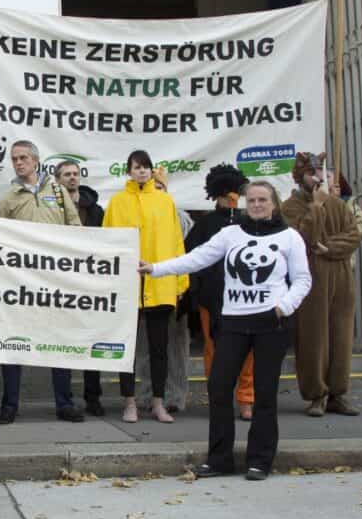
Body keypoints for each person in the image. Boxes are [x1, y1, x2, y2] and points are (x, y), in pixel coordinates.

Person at [139, 180, 312, 480]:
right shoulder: (231, 234)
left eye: (262, 199)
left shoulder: (289, 237)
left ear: (274, 203)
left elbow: (302, 280)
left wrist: (283, 307)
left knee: (264, 394)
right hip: (233, 322)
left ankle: (260, 460)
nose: (256, 204)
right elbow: (197, 258)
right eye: (251, 200)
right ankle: (219, 459)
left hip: (270, 324)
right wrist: (156, 268)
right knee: (218, 388)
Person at [0, 141, 82, 423]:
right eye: (14, 159)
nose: (18, 163)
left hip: (55, 282)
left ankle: (64, 403)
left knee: (59, 342)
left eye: (23, 158)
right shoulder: (8, 199)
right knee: (13, 344)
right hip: (20, 285)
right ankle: (9, 405)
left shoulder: (58, 192)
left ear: (35, 160)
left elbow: (75, 228)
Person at [103, 150, 187, 424]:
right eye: (136, 167)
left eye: (145, 167)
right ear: (128, 171)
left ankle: (158, 403)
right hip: (126, 286)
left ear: (151, 171)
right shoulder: (117, 202)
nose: (141, 171)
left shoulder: (165, 201)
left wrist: (180, 280)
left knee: (159, 349)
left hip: (159, 284)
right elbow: (106, 242)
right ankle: (129, 402)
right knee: (126, 348)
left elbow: (176, 242)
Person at [281, 152, 361, 417]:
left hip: (341, 277)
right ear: (299, 176)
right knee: (313, 337)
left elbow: (353, 236)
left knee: (341, 336)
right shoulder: (290, 207)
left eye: (319, 172)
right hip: (310, 278)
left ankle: (338, 394)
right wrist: (315, 208)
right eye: (311, 173)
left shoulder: (337, 204)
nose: (317, 177)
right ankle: (317, 395)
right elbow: (303, 239)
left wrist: (330, 247)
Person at [184, 164, 253, 420]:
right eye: (225, 194)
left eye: (234, 193)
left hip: (245, 298)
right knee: (214, 350)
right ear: (216, 195)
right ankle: (218, 398)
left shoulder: (249, 223)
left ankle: (246, 399)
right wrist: (196, 291)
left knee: (248, 351)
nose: (230, 198)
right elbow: (191, 257)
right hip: (212, 298)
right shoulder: (205, 225)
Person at [135, 168, 193, 414]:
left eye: (159, 187)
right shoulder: (135, 213)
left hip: (171, 291)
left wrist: (181, 287)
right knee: (145, 347)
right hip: (143, 292)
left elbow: (185, 256)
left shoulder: (180, 218)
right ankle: (147, 393)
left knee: (175, 348)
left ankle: (175, 396)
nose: (155, 192)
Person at [54, 159, 105, 417]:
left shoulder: (96, 210)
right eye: (67, 174)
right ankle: (64, 400)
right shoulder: (51, 209)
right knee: (61, 343)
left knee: (91, 340)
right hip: (61, 283)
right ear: (57, 180)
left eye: (75, 174)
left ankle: (92, 397)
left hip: (90, 284)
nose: (72, 178)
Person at [329, 172, 362, 271]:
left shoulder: (349, 205)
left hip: (345, 264)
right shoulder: (316, 202)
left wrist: (347, 228)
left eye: (328, 176)